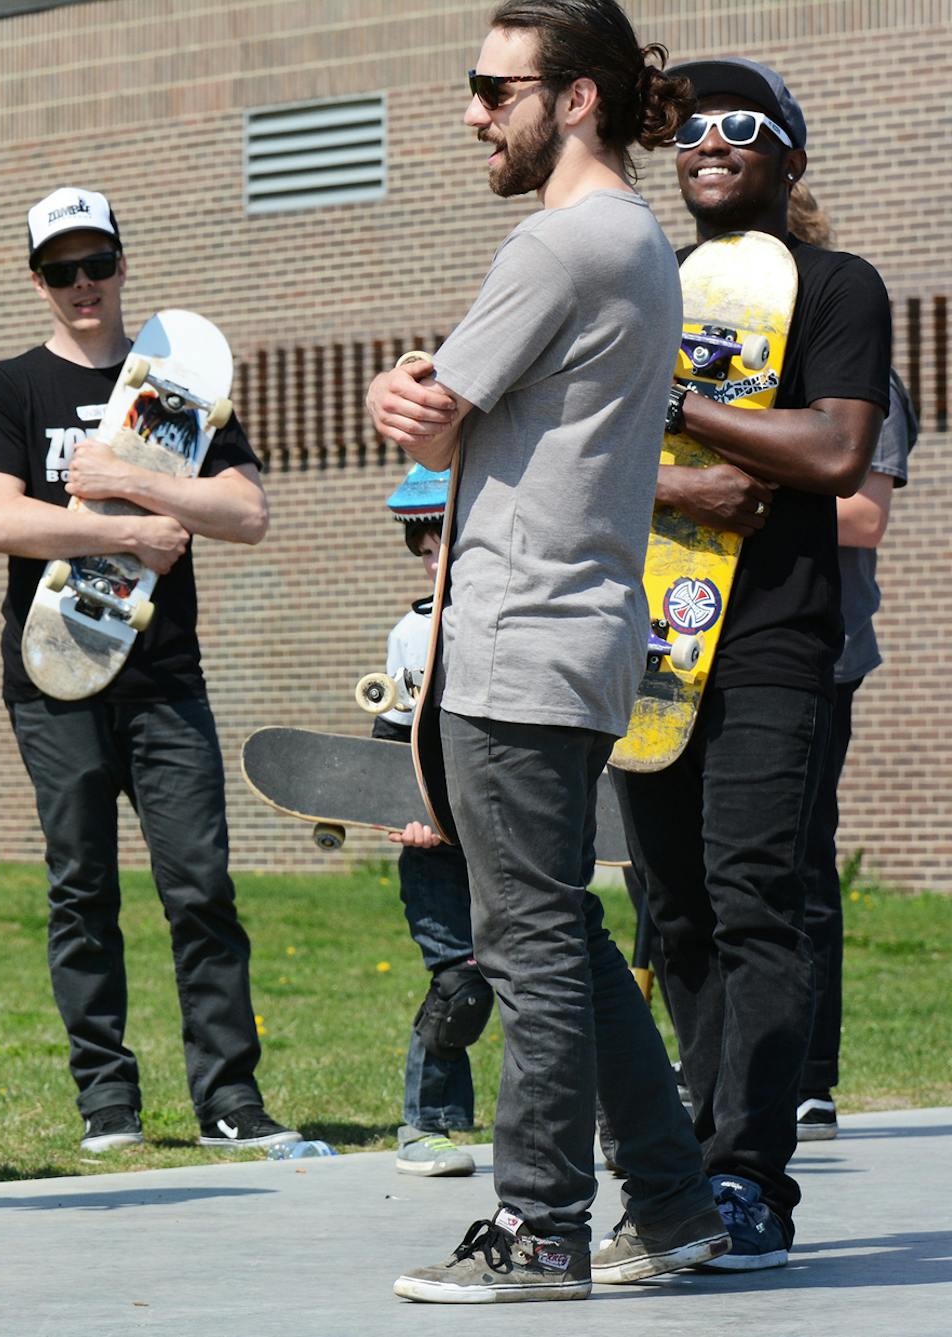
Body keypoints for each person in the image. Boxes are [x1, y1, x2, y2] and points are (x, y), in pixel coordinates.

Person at [366, 1, 726, 1301]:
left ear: (575, 97)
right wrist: (430, 400)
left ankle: (540, 1228)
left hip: (522, 642)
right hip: (572, 638)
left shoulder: (563, 242)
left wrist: (396, 394)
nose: (473, 111)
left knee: (526, 940)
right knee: (558, 931)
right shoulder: (635, 242)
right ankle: (675, 1207)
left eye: (491, 87)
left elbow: (432, 424)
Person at [619, 55, 892, 1268]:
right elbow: (584, 455)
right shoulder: (643, 281)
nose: (708, 144)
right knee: (672, 914)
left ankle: (747, 1177)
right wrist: (691, 471)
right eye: (685, 131)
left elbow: (832, 450)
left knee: (753, 903)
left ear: (791, 155)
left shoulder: (840, 286)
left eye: (741, 127)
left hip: (778, 641)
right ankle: (696, 1143)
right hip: (650, 647)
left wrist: (678, 408)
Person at [0, 185, 295, 1155]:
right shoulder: (8, 387)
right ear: (39, 280)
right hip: (52, 671)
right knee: (81, 886)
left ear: (120, 263)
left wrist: (136, 485)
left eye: (97, 263)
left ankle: (231, 1099)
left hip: (165, 679)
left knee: (199, 884)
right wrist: (130, 527)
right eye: (62, 269)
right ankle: (108, 1103)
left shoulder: (181, 386)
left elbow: (247, 511)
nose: (83, 285)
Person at [782, 185, 917, 1145]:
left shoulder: (860, 367)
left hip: (822, 648)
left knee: (795, 863)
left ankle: (811, 1075)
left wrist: (730, 497)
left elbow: (864, 515)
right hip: (700, 646)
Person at [369, 467, 484, 1181]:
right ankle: (428, 1124)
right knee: (461, 985)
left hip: (509, 837)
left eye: (449, 542)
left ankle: (607, 1118)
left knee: (553, 977)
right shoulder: (413, 633)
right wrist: (407, 813)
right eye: (423, 547)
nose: (434, 559)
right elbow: (392, 742)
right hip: (438, 848)